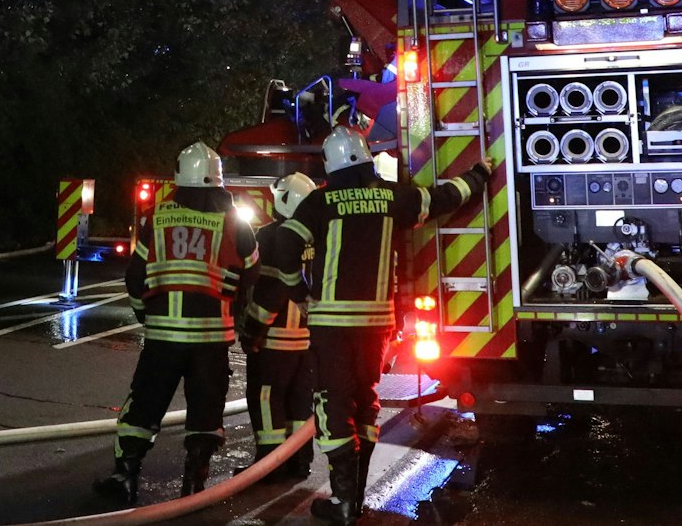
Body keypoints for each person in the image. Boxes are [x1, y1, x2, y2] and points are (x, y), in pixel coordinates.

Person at [281, 126, 491, 525]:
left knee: (334, 404)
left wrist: (300, 293)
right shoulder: (392, 196)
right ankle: (354, 499)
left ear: (331, 164)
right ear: (364, 158)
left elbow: (284, 245)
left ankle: (344, 502)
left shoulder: (319, 201)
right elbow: (445, 198)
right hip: (377, 325)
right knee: (364, 405)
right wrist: (479, 174)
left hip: (332, 325)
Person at [92, 141, 258, 505]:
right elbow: (252, 274)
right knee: (205, 410)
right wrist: (241, 315)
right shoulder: (234, 221)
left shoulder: (158, 217)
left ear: (179, 178)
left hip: (163, 337)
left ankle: (126, 475)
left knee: (144, 406)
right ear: (218, 179)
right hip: (211, 339)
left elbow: (135, 277)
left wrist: (142, 312)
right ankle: (195, 477)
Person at [235, 172, 318, 483]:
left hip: (274, 341)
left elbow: (271, 292)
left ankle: (269, 466)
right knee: (300, 401)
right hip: (308, 341)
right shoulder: (317, 235)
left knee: (267, 398)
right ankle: (299, 461)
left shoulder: (271, 237)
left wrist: (252, 331)